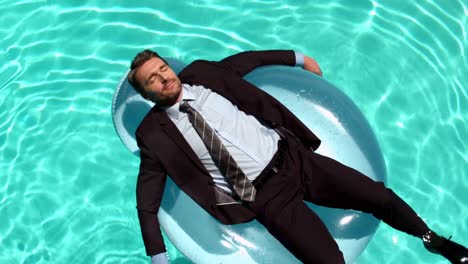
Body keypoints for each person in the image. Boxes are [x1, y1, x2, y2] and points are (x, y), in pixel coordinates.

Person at [127, 49, 468, 264]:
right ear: (147, 93)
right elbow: (147, 199)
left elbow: (248, 61)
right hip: (264, 199)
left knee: (380, 196)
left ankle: (433, 240)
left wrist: (297, 58)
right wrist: (158, 256)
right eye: (152, 80)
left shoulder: (203, 75)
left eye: (162, 68)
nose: (163, 78)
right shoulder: (153, 134)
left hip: (294, 159)